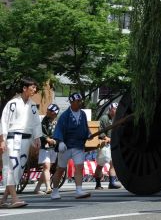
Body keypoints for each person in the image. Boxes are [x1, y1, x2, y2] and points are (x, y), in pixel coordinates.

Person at [0, 78, 42, 208]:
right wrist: (2, 140)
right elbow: (4, 122)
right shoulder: (12, 103)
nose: (34, 90)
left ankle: (3, 199)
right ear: (24, 88)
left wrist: (37, 137)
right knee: (12, 167)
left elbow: (36, 123)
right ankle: (14, 198)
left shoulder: (33, 105)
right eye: (32, 87)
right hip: (12, 139)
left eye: (35, 87)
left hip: (26, 139)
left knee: (19, 169)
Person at [51, 93, 92, 200]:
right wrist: (60, 142)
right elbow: (59, 129)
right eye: (78, 101)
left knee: (79, 167)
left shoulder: (83, 114)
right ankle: (54, 191)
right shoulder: (64, 116)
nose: (80, 103)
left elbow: (85, 127)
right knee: (61, 169)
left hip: (78, 145)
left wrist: (88, 133)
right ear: (71, 102)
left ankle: (78, 190)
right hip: (66, 146)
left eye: (80, 101)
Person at [93, 102, 122, 190]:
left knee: (113, 164)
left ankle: (112, 183)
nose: (116, 110)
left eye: (117, 109)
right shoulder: (104, 118)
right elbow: (100, 129)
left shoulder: (117, 118)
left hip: (113, 143)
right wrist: (105, 137)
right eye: (114, 109)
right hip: (104, 144)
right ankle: (98, 184)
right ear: (110, 109)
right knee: (100, 164)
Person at [33, 104, 60, 195]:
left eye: (49, 111)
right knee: (46, 167)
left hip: (54, 147)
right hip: (45, 147)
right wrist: (48, 139)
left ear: (54, 113)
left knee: (46, 169)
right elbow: (41, 133)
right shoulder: (45, 120)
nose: (47, 112)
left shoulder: (58, 121)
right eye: (48, 110)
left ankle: (37, 188)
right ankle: (48, 187)